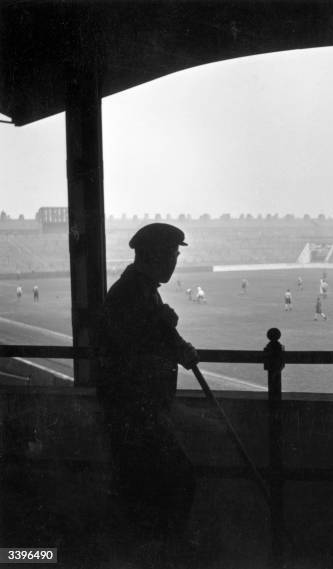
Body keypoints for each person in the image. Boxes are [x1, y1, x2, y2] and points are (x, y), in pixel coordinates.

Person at [96, 223, 199, 553]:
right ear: (154, 255)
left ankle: (156, 549)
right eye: (171, 254)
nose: (174, 262)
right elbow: (135, 347)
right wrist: (168, 332)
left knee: (150, 486)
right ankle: (163, 551)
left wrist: (170, 334)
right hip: (136, 411)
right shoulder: (134, 293)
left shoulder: (141, 290)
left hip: (139, 410)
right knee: (172, 479)